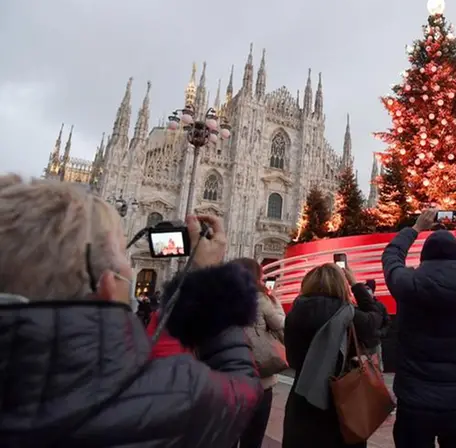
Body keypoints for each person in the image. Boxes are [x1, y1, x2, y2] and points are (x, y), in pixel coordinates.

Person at [0, 175, 262, 447]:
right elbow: (243, 390)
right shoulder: (167, 396)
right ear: (107, 286)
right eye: (123, 256)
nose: (127, 265)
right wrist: (209, 277)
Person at [383, 208, 456, 448]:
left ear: (424, 256)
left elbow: (391, 256)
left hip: (413, 401)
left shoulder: (407, 284)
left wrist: (415, 229)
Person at [282, 263, 388, 448]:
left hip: (303, 397)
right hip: (342, 401)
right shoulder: (349, 314)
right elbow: (376, 318)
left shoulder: (294, 314)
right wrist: (356, 285)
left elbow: (292, 359)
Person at [232, 257, 287, 448]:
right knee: (252, 440)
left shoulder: (215, 299)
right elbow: (283, 330)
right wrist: (275, 302)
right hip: (258, 381)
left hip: (224, 380)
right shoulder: (260, 299)